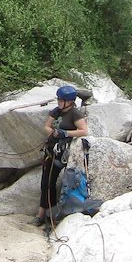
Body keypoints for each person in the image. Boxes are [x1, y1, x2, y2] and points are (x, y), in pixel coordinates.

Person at [37, 85, 89, 227]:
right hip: (52, 150)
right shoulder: (56, 111)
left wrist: (65, 133)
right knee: (45, 183)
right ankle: (42, 214)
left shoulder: (74, 114)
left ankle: (49, 216)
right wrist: (53, 132)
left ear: (69, 101)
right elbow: (47, 126)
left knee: (51, 183)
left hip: (63, 153)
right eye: (59, 99)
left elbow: (83, 131)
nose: (59, 102)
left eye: (62, 100)